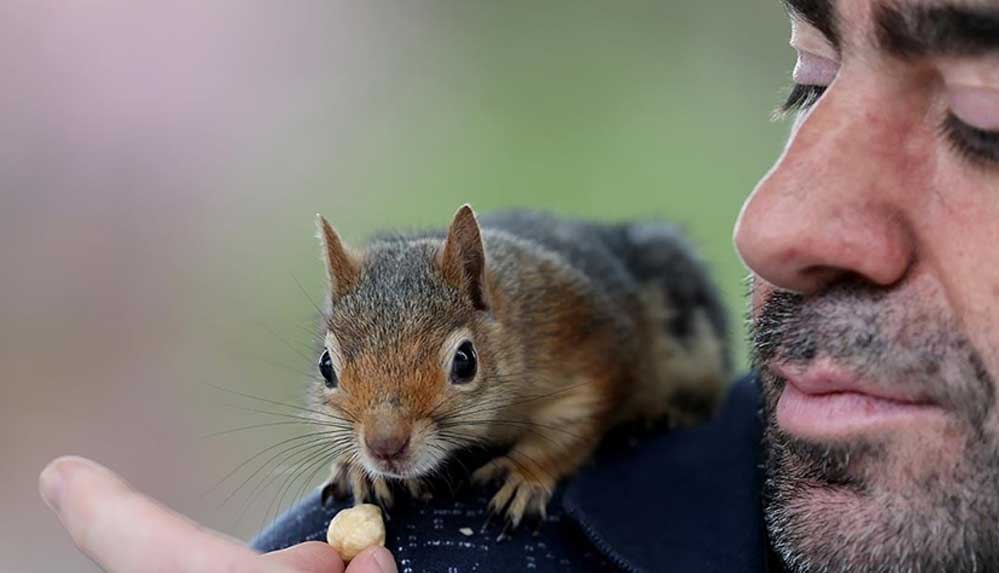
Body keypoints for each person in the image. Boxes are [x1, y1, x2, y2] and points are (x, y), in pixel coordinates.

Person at [38, 0, 999, 570]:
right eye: (808, 76)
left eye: (982, 106)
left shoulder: (565, 348)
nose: (769, 224)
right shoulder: (459, 548)